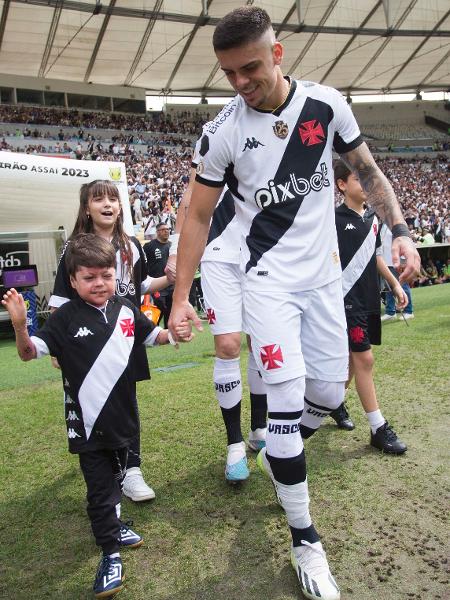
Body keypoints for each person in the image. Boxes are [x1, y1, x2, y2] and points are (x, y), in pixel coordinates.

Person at [168, 7, 420, 600]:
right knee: (283, 394)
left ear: (277, 54)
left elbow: (367, 169)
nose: (239, 82)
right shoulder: (224, 132)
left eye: (249, 68)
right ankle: (306, 539)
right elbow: (198, 215)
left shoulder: (327, 106)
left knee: (328, 395)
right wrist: (181, 297)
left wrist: (401, 227)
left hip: (323, 282)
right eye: (228, 73)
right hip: (268, 285)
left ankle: (277, 443)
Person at [2, 234, 190, 598]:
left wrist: (175, 333)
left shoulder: (125, 309)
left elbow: (154, 338)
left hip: (124, 423)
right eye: (89, 277)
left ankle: (115, 525)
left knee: (117, 483)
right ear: (73, 281)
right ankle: (110, 554)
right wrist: (21, 326)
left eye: (105, 275)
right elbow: (28, 354)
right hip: (88, 427)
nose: (99, 283)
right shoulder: (64, 319)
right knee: (100, 492)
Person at [49, 180, 174, 503]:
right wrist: (56, 347)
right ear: (86, 208)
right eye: (98, 199)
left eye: (113, 199)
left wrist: (172, 277)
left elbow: (142, 285)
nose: (107, 204)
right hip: (85, 344)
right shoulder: (74, 247)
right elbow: (61, 298)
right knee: (93, 404)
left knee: (125, 401)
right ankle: (103, 468)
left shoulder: (132, 244)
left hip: (124, 337)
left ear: (121, 207)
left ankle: (132, 471)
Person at [167, 158, 267, 484]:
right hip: (218, 253)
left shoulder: (281, 128)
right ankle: (234, 445)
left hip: (263, 252)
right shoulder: (218, 132)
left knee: (261, 344)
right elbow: (191, 196)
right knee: (228, 344)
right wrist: (174, 248)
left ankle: (259, 428)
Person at [328, 161, 408, 454]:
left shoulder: (373, 219)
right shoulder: (332, 219)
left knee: (352, 361)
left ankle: (335, 403)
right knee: (365, 359)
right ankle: (378, 427)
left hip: (369, 299)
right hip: (345, 301)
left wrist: (395, 284)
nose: (364, 182)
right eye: (356, 178)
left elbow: (373, 256)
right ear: (341, 185)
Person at [380, 223, 414, 321]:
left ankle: (409, 311)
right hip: (386, 261)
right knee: (389, 288)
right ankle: (390, 312)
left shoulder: (397, 224)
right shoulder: (383, 225)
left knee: (403, 286)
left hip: (396, 261)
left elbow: (404, 242)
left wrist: (403, 261)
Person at [143, 222, 174, 327]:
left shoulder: (172, 246)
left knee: (170, 309)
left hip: (171, 284)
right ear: (157, 232)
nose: (166, 231)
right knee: (160, 307)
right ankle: (151, 330)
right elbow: (143, 263)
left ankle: (168, 331)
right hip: (156, 284)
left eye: (168, 229)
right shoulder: (149, 246)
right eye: (163, 229)